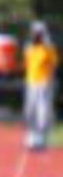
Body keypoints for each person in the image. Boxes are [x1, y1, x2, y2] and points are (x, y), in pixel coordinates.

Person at [22, 20, 59, 151]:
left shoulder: (48, 48)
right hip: (31, 82)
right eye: (34, 33)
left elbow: (54, 65)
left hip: (44, 83)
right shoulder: (29, 47)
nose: (35, 35)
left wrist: (50, 81)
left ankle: (41, 136)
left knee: (43, 110)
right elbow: (26, 65)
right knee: (30, 109)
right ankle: (31, 134)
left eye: (38, 33)